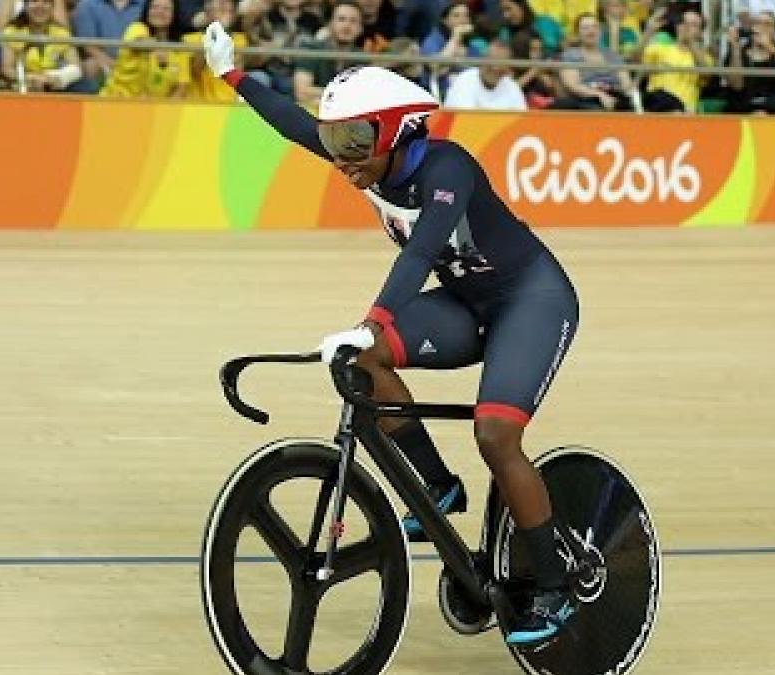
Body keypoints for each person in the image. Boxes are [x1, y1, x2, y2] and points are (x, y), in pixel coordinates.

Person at [202, 21, 587, 647]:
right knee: (363, 366)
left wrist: (371, 321)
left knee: (495, 434)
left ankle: (554, 583)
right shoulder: (365, 152)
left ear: (399, 129)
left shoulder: (447, 167)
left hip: (531, 301)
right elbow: (288, 121)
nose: (341, 154)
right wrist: (231, 74)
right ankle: (437, 486)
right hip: (467, 300)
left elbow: (419, 255)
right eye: (336, 138)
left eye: (354, 137)